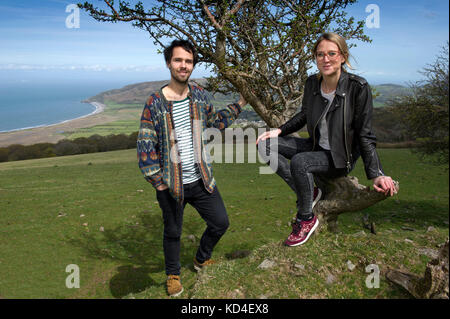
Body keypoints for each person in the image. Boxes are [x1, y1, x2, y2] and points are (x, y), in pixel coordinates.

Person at [256, 32, 397, 247]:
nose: (326, 59)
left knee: (300, 162)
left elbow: (365, 134)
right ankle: (309, 190)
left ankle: (306, 218)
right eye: (320, 54)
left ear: (342, 56)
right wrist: (280, 131)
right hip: (316, 146)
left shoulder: (358, 87)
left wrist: (376, 174)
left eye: (332, 53)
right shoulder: (313, 83)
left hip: (339, 157)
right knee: (265, 145)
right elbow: (305, 113)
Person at [137, 39, 247, 296]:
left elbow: (214, 123)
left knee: (220, 222)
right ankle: (173, 275)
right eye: (178, 60)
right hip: (170, 184)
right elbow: (145, 145)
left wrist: (240, 105)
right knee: (173, 232)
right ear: (169, 63)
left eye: (188, 61)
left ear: (193, 65)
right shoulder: (154, 103)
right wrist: (159, 182)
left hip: (201, 179)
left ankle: (201, 259)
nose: (183, 65)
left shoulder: (199, 95)